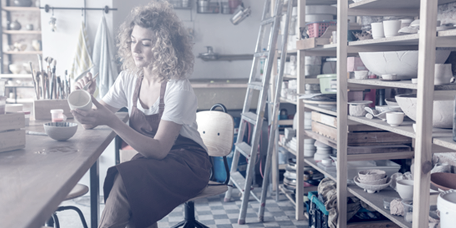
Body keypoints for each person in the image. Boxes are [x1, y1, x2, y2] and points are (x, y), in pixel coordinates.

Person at [72, 1, 212, 227]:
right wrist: (87, 99)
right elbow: (90, 122)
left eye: (145, 44)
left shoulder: (178, 87)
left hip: (188, 163)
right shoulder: (128, 78)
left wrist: (113, 122)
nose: (135, 49)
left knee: (126, 182)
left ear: (164, 47)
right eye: (132, 41)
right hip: (155, 159)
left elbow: (159, 149)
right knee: (127, 180)